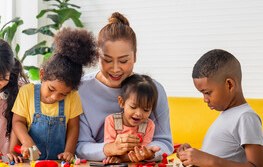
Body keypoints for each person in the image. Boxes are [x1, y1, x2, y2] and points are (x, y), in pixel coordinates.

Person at [76, 12, 173, 162]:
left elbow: (165, 141)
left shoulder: (154, 89)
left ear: (135, 56)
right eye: (107, 60)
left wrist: (150, 152)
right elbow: (80, 146)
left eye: (123, 61)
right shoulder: (81, 90)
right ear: (97, 56)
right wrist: (110, 148)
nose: (115, 69)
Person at [12, 27, 97, 163]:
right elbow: (17, 122)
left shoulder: (73, 97)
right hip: (29, 162)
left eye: (63, 94)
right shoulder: (27, 92)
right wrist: (26, 142)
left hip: (58, 163)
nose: (55, 97)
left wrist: (69, 151)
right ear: (42, 75)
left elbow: (74, 127)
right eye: (51, 89)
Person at [177, 49, 263, 166]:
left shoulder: (246, 117)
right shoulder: (227, 114)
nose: (205, 99)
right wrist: (193, 155)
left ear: (229, 85)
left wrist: (210, 161)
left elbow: (257, 165)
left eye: (207, 92)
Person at [104, 74, 158, 163]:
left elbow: (142, 153)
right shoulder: (111, 121)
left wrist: (122, 159)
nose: (139, 114)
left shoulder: (149, 125)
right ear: (121, 102)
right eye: (133, 107)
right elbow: (110, 149)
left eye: (146, 109)